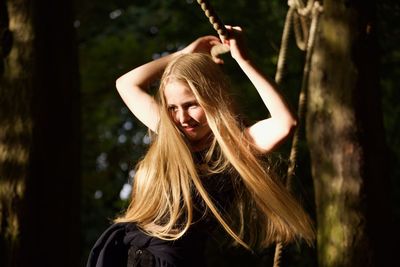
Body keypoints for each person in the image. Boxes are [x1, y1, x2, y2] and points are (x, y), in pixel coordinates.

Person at [87, 26, 314, 267]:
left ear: (212, 98)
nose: (182, 117)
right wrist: (183, 54)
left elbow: (285, 123)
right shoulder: (172, 135)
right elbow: (126, 84)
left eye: (191, 104)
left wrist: (243, 59)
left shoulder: (234, 149)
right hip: (126, 255)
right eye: (173, 108)